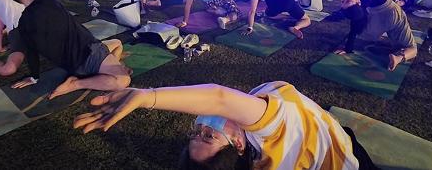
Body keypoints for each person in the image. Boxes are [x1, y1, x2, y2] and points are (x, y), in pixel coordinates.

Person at [74, 80, 370, 169]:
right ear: (238, 144)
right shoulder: (271, 137)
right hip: (348, 159)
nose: (201, 127)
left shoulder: (248, 138)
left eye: (195, 133)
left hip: (332, 135)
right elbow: (218, 98)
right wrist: (145, 97)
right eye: (207, 136)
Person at [4, 0, 131, 99]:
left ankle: (104, 72)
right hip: (88, 52)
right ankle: (76, 84)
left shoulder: (23, 23)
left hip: (72, 64)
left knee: (117, 43)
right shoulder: (46, 1)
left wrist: (34, 76)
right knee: (123, 80)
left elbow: (31, 52)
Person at [323, 0, 417, 71]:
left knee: (365, 32)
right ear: (359, 4)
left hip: (381, 20)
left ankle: (396, 57)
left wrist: (348, 48)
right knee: (412, 47)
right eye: (347, 1)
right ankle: (398, 58)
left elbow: (354, 27)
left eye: (343, 1)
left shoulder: (362, 6)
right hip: (394, 15)